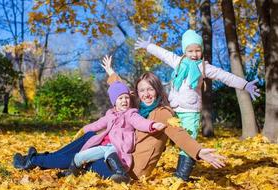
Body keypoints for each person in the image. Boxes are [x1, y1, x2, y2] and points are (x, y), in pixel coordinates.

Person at [13, 55, 226, 183]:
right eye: (142, 90)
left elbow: (178, 133)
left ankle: (35, 161)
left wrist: (198, 151)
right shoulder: (137, 105)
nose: (146, 94)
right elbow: (121, 92)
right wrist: (111, 72)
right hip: (117, 155)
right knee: (89, 136)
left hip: (129, 170)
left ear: (157, 90)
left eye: (150, 89)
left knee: (82, 153)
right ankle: (39, 158)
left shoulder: (163, 112)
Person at [134, 29, 260, 181]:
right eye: (190, 51)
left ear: (202, 51)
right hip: (173, 109)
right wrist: (148, 46)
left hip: (190, 111)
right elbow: (163, 54)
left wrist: (245, 85)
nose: (194, 54)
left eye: (198, 50)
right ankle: (142, 161)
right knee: (163, 131)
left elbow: (225, 76)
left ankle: (181, 176)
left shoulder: (204, 68)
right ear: (184, 50)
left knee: (189, 140)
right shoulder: (178, 61)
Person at [57, 81, 166, 182]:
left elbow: (140, 122)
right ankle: (70, 173)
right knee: (79, 156)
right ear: (114, 102)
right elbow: (97, 124)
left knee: (110, 151)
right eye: (120, 98)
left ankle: (121, 174)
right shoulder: (110, 115)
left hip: (119, 147)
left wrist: (152, 125)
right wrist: (83, 130)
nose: (124, 101)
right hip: (105, 147)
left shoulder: (131, 114)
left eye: (126, 98)